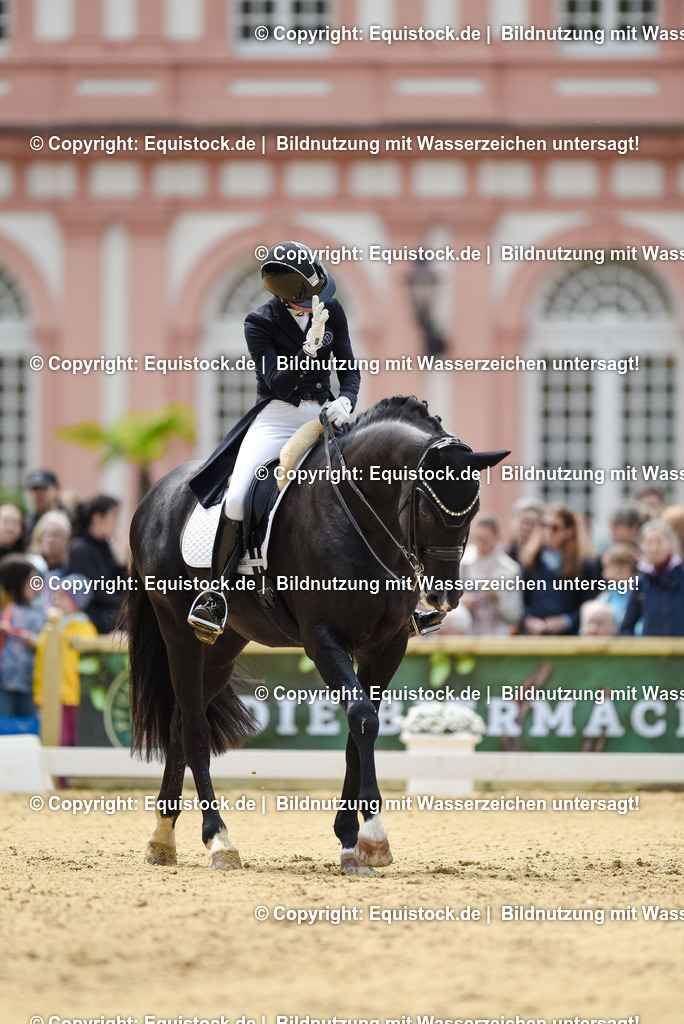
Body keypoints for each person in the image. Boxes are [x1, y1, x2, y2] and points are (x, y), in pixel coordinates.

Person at [186, 241, 362, 643]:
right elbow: (278, 383)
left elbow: (349, 367)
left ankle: (404, 592)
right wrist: (308, 349)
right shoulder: (259, 321)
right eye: (311, 299)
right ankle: (216, 592)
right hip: (278, 417)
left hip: (325, 412)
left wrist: (347, 400)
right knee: (236, 497)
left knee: (375, 477)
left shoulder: (331, 309)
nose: (321, 303)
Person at [33, 574, 98, 749]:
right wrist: (39, 694)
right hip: (50, 697)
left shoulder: (85, 630)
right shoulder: (48, 629)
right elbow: (41, 666)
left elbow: (90, 667)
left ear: (76, 602)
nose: (56, 600)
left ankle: (67, 777)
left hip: (73, 698)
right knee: (50, 742)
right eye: (55, 595)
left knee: (70, 742)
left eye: (62, 596)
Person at [521, 503, 600, 635]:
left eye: (555, 528)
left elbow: (591, 603)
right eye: (545, 526)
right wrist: (529, 619)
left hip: (569, 639)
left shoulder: (585, 564)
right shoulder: (531, 561)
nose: (548, 532)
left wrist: (567, 620)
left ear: (569, 532)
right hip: (536, 636)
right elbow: (522, 601)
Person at [64, 495, 126, 634]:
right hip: (91, 622)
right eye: (114, 515)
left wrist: (119, 559)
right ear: (97, 517)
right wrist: (124, 604)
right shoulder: (80, 548)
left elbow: (120, 581)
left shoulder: (104, 547)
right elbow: (94, 590)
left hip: (109, 615)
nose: (118, 522)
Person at [460, 513, 523, 634]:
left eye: (484, 540)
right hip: (467, 637)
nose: (479, 544)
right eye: (476, 539)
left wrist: (496, 597)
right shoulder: (462, 563)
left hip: (497, 638)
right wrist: (462, 602)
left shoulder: (510, 568)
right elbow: (445, 604)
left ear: (496, 537)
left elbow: (515, 616)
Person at [0, 555, 46, 719]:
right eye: (30, 580)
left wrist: (35, 640)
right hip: (4, 681)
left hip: (29, 682)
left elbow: (46, 639)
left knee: (29, 726)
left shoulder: (40, 612)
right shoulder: (4, 608)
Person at [620, 520, 684, 637]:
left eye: (659, 542)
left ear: (671, 544)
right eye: (649, 543)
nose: (654, 548)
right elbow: (627, 626)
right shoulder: (641, 582)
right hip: (652, 652)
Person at [598, 544, 639, 632]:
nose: (604, 574)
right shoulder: (606, 596)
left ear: (624, 569)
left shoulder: (640, 595)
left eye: (608, 568)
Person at [29, 509, 71, 579]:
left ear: (65, 539)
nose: (51, 540)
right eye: (47, 534)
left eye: (56, 535)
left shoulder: (72, 567)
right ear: (39, 538)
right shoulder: (31, 565)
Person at [505, 497, 544, 567]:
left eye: (533, 524)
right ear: (513, 522)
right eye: (524, 522)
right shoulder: (504, 556)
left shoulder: (546, 559)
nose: (528, 528)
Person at [24, 469, 64, 536]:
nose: (39, 494)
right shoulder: (27, 524)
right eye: (35, 489)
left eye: (43, 488)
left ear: (56, 489)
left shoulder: (72, 520)